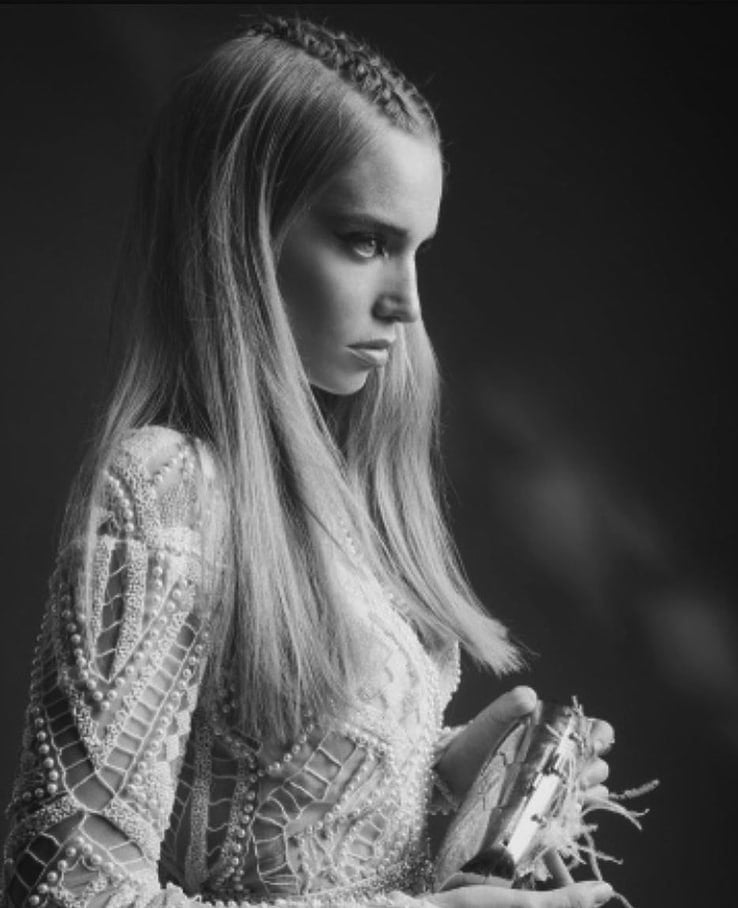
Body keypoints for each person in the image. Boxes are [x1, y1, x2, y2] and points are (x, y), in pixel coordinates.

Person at [0, 14, 615, 908]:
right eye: (366, 241)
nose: (406, 303)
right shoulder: (166, 491)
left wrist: (445, 787)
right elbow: (66, 891)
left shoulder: (340, 493)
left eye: (416, 249)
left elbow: (281, 824)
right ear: (242, 236)